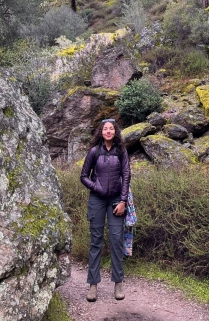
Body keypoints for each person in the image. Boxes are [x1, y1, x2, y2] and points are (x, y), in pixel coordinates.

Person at [80, 118, 131, 303]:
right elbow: (83, 176)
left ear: (115, 132)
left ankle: (118, 283)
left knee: (116, 240)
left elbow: (126, 175)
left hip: (117, 200)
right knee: (96, 241)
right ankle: (93, 285)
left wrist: (123, 200)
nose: (108, 131)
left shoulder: (121, 151)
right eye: (105, 129)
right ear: (101, 132)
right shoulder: (94, 151)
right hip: (97, 200)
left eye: (111, 129)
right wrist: (96, 187)